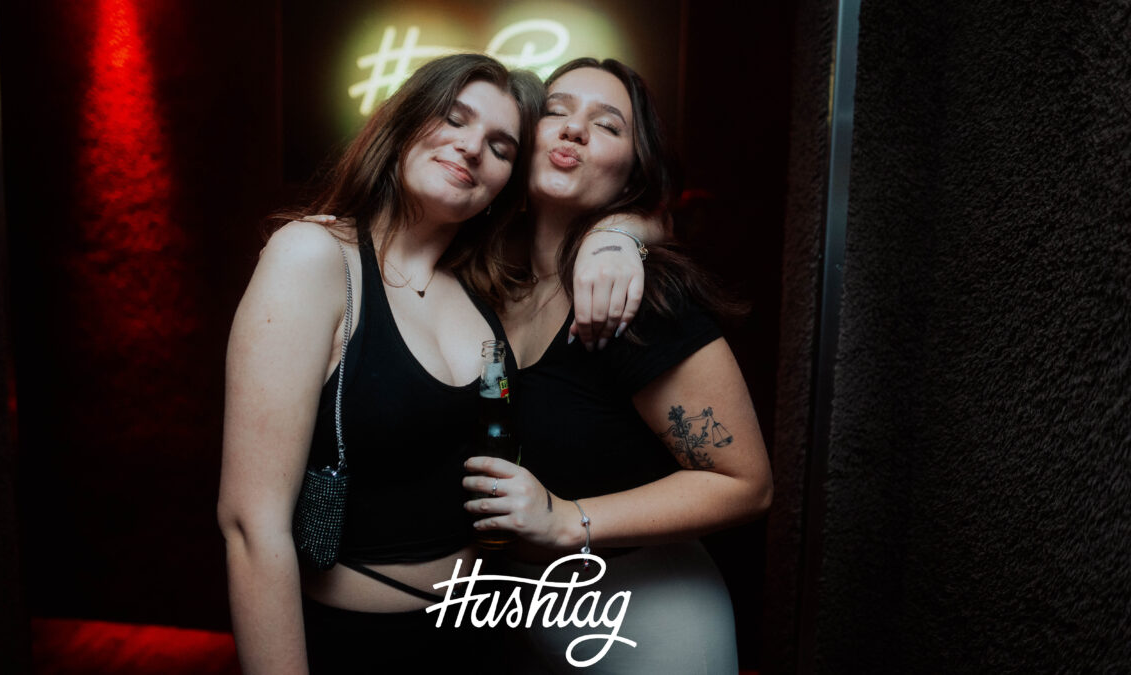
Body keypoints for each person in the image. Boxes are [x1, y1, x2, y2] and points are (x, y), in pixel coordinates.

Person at [216, 54, 546, 673]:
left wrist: (621, 237)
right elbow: (251, 527)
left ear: (507, 184)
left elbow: (608, 213)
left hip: (486, 633)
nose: (472, 147)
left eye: (501, 147)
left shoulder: (491, 290)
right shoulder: (313, 258)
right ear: (404, 123)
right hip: (359, 644)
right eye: (454, 118)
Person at [462, 58, 774, 673]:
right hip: (522, 619)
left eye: (607, 126)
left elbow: (746, 484)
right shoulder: (491, 279)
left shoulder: (641, 296)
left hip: (651, 623)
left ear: (634, 170)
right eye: (555, 111)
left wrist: (567, 520)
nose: (574, 129)